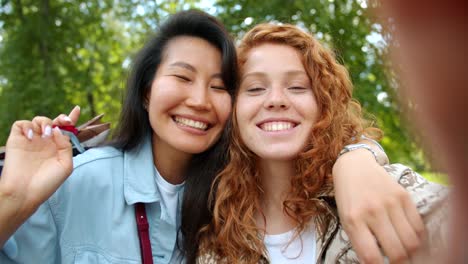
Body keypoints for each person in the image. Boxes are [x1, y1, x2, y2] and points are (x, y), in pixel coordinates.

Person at [0, 10, 423, 264]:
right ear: (146, 91)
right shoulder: (75, 182)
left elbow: (313, 142)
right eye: (182, 77)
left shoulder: (232, 189)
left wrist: (358, 158)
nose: (200, 100)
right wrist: (12, 199)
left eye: (220, 86)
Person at [197, 23, 449, 264]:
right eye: (254, 89)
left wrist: (357, 155)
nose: (275, 99)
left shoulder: (379, 188)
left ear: (323, 106)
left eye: (297, 87)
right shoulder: (211, 233)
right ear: (232, 110)